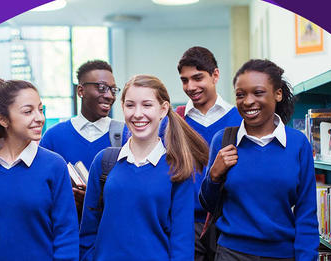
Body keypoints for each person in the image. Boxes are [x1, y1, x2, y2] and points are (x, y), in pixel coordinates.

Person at [199, 60, 319, 261]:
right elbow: (208, 205)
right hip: (230, 254)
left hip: (283, 255)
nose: (247, 101)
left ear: (277, 94)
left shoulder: (298, 144)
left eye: (258, 92)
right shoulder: (223, 140)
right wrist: (214, 176)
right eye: (240, 94)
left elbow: (306, 213)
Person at [79, 74, 208, 261]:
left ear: (163, 110)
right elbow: (88, 231)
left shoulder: (177, 169)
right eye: (130, 105)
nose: (138, 114)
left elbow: (182, 243)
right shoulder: (104, 162)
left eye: (147, 105)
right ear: (122, 107)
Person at [0, 79, 79, 261]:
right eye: (28, 111)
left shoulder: (54, 165)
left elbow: (66, 233)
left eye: (40, 110)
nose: (40, 118)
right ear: (2, 119)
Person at [177, 46, 242, 261]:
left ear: (215, 75)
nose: (190, 86)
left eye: (197, 78)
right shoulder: (175, 122)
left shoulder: (240, 120)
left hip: (228, 224)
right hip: (184, 225)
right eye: (185, 80)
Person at [39, 60, 123, 217]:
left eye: (113, 90)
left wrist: (94, 201)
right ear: (80, 90)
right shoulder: (53, 137)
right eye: (102, 88)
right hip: (66, 233)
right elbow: (40, 190)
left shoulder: (125, 136)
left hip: (111, 234)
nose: (110, 96)